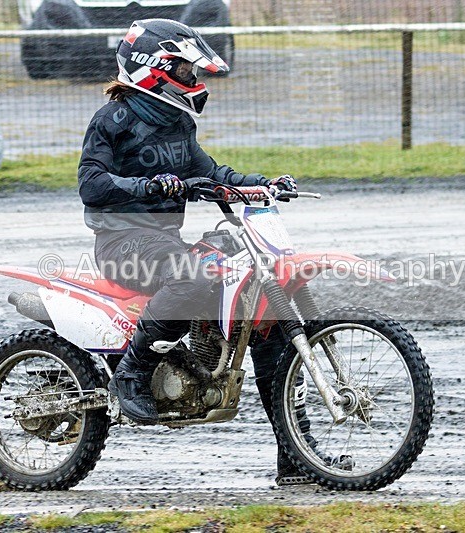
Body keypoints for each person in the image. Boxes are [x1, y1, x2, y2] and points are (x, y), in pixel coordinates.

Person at [77, 18, 342, 485]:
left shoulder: (177, 121)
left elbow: (213, 173)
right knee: (194, 277)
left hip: (163, 240)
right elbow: (91, 184)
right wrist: (148, 183)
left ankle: (297, 458)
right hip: (122, 243)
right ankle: (132, 374)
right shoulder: (113, 119)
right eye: (184, 70)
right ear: (153, 68)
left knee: (267, 323)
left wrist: (264, 185)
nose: (193, 81)